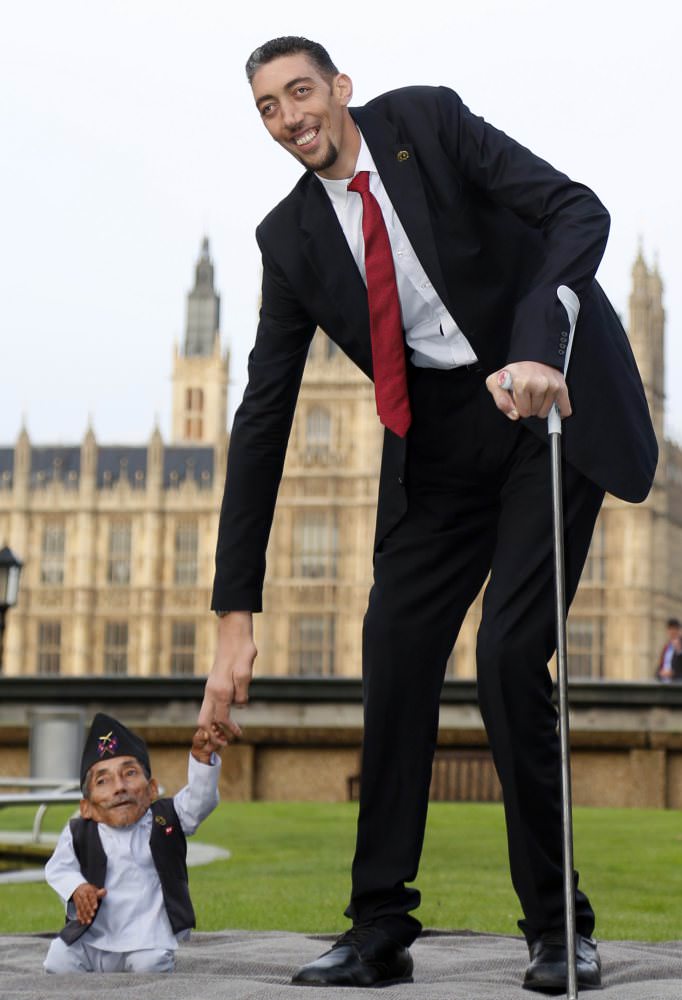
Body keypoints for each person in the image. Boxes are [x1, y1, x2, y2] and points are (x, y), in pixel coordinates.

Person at [199, 36, 658, 991]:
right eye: (268, 109)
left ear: (340, 89)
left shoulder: (428, 124)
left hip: (544, 403)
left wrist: (538, 342)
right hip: (439, 442)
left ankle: (553, 925)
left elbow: (579, 211)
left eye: (300, 93)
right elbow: (260, 418)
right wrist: (232, 613)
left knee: (503, 656)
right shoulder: (287, 241)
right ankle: (378, 929)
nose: (290, 118)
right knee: (396, 648)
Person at [43, 712, 221, 974]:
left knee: (151, 967)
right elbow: (58, 868)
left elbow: (200, 801)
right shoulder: (79, 831)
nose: (119, 787)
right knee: (59, 960)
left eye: (129, 773)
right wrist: (78, 889)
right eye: (103, 781)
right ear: (86, 807)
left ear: (151, 790)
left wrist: (202, 760)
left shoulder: (165, 818)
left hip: (147, 939)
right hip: (92, 937)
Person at [656, 618, 682, 682]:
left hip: (677, 684)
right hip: (664, 682)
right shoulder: (666, 647)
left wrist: (679, 651)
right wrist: (660, 673)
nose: (672, 632)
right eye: (670, 629)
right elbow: (659, 667)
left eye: (675, 629)